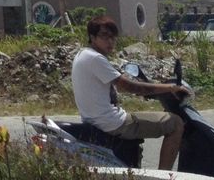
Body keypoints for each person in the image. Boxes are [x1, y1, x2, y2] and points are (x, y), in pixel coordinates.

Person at [72, 15, 190, 171]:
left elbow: (121, 85)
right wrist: (168, 88)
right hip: (113, 123)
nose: (110, 41)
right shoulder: (95, 59)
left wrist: (149, 87)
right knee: (175, 123)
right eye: (104, 36)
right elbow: (130, 87)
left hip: (96, 120)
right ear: (92, 37)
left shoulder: (83, 55)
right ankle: (164, 175)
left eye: (113, 37)